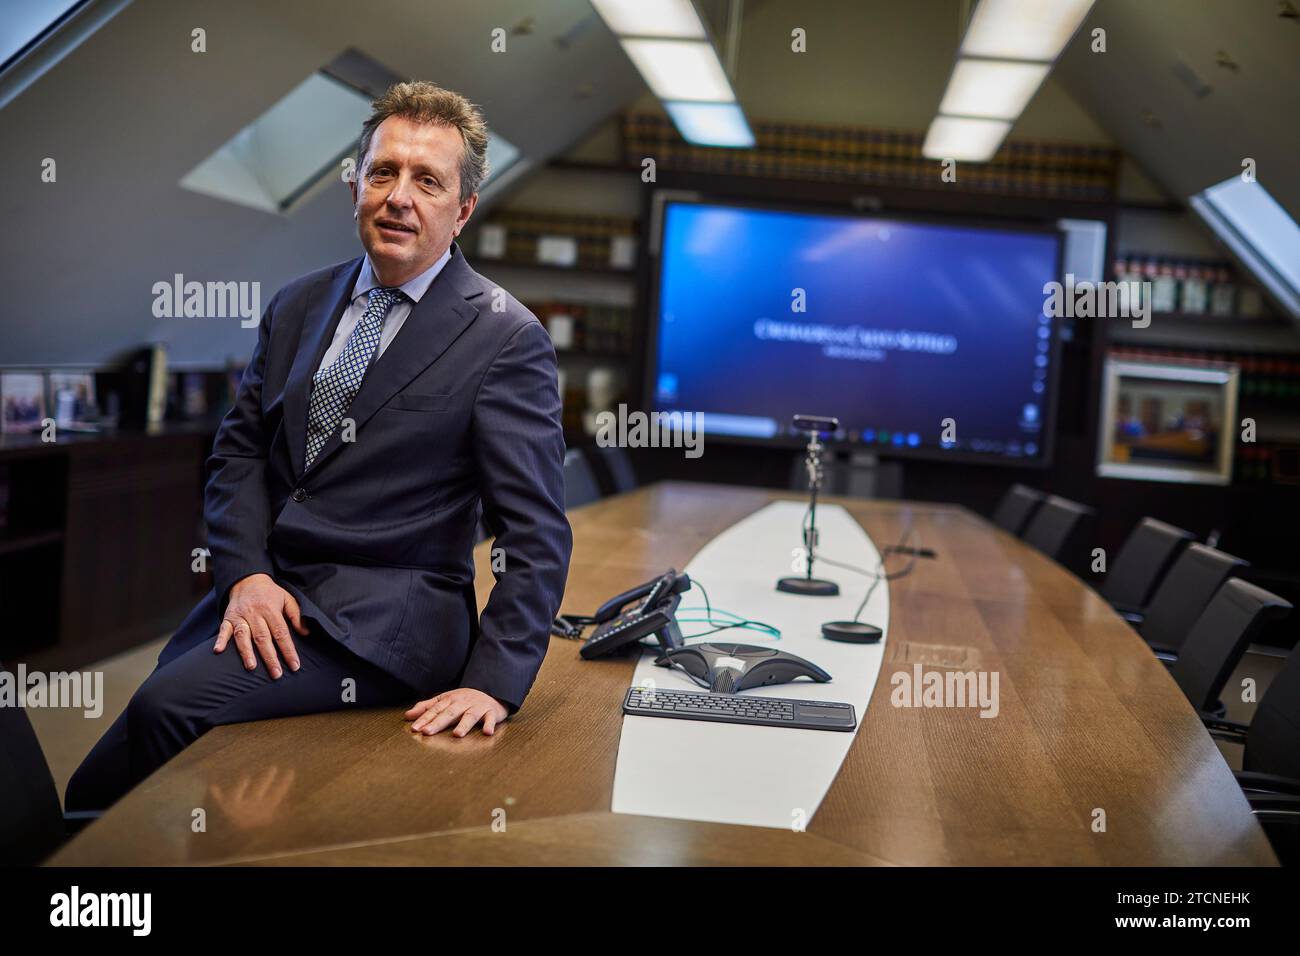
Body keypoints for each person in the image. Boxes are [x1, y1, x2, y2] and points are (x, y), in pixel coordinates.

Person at [66, 82, 572, 813]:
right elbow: (240, 451)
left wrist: (494, 680)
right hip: (267, 592)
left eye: (427, 181)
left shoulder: (505, 337)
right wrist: (243, 574)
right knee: (108, 766)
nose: (399, 196)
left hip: (386, 628)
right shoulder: (299, 302)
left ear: (462, 210)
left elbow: (535, 533)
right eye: (383, 172)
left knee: (165, 712)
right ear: (356, 186)